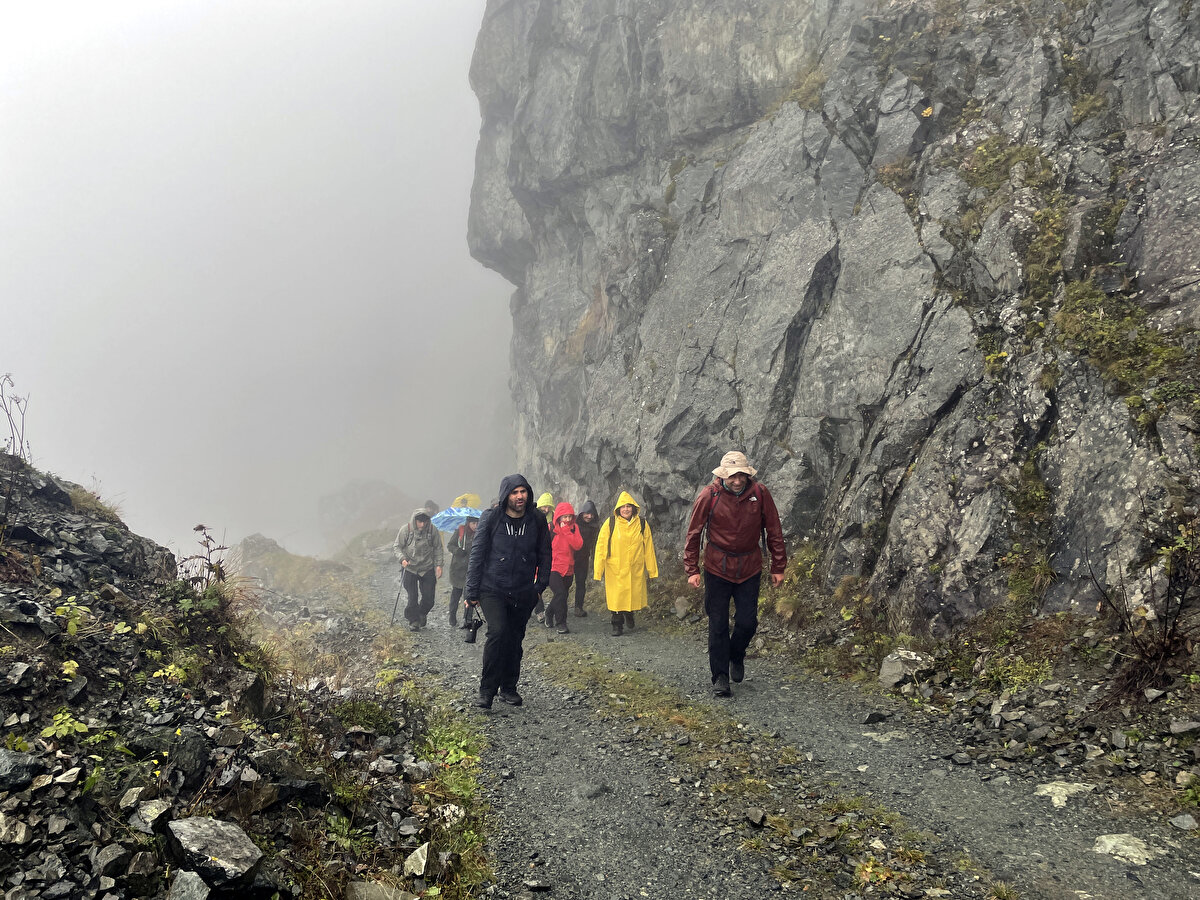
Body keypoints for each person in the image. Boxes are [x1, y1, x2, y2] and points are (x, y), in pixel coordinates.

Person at [683, 450, 786, 697]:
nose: (737, 480)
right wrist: (692, 569)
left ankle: (736, 655)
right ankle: (720, 677)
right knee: (717, 624)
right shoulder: (709, 495)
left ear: (747, 475)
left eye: (741, 475)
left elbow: (774, 529)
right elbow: (694, 533)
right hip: (717, 568)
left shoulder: (760, 494)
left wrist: (778, 566)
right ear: (723, 476)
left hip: (749, 567)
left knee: (747, 622)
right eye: (732, 476)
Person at [464, 474, 551, 708]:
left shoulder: (537, 520)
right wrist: (471, 592)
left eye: (523, 491)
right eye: (515, 492)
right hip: (492, 589)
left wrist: (539, 587)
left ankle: (509, 688)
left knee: (514, 639)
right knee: (498, 632)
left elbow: (545, 554)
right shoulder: (491, 518)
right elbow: (477, 554)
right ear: (506, 495)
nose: (520, 496)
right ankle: (487, 691)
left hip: (524, 591)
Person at [594, 491, 658, 636]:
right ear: (618, 509)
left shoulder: (642, 523)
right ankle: (617, 625)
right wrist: (598, 570)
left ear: (634, 508)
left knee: (631, 596)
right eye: (623, 506)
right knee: (616, 600)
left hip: (635, 567)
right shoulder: (610, 523)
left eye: (629, 506)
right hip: (615, 569)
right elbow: (601, 547)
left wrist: (652, 570)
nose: (626, 509)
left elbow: (648, 548)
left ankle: (629, 614)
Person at [394, 508, 444, 632]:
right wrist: (402, 559)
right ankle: (414, 620)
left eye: (425, 521)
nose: (422, 524)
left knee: (429, 598)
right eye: (419, 522)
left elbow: (438, 548)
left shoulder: (432, 530)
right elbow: (397, 547)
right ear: (415, 520)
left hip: (427, 568)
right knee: (412, 597)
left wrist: (439, 565)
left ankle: (422, 613)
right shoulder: (406, 530)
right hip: (410, 568)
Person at [546, 502, 583, 633]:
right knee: (560, 593)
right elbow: (541, 547)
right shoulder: (550, 528)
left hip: (568, 568)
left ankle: (549, 612)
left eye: (569, 516)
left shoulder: (574, 528)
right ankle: (561, 623)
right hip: (553, 567)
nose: (567, 519)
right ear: (558, 516)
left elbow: (578, 545)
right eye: (564, 516)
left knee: (562, 595)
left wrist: (567, 531)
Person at [446, 515, 479, 628]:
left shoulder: (480, 534)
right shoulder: (460, 532)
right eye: (473, 523)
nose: (475, 526)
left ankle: (467, 619)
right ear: (468, 523)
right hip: (457, 569)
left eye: (477, 523)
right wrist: (457, 550)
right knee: (456, 594)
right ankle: (452, 616)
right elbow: (450, 545)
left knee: (469, 595)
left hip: (472, 570)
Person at [572, 500, 601, 617]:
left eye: (591, 514)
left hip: (583, 559)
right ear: (581, 513)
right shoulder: (574, 524)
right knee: (564, 584)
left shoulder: (595, 528)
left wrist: (595, 559)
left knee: (580, 583)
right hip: (570, 557)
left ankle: (578, 607)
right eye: (586, 513)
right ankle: (560, 607)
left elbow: (596, 544)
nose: (589, 516)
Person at [533, 492, 555, 622]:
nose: (546, 510)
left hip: (550, 556)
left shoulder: (555, 520)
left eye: (548, 507)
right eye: (543, 507)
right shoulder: (533, 518)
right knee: (536, 584)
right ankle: (539, 611)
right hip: (535, 556)